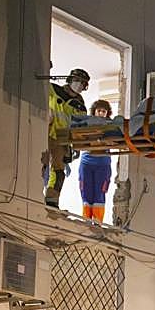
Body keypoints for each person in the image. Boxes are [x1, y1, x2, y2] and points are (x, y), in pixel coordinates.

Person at [43, 68, 89, 207]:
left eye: (83, 83)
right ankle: (35, 194)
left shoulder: (80, 105)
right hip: (47, 133)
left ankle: (52, 200)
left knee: (58, 173)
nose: (79, 85)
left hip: (63, 140)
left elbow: (81, 125)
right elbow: (40, 90)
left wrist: (75, 146)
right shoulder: (54, 90)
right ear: (70, 79)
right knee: (41, 167)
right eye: (78, 80)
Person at [78, 99, 113, 222]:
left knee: (99, 193)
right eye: (99, 111)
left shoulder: (111, 125)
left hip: (103, 164)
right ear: (94, 111)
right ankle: (86, 220)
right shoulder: (87, 123)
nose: (101, 113)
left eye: (104, 111)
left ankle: (97, 222)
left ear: (107, 113)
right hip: (86, 162)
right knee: (86, 192)